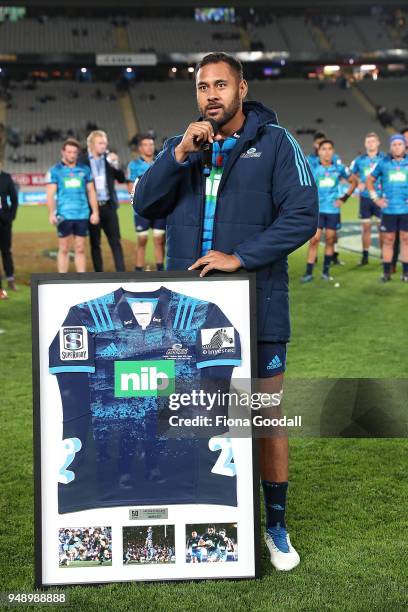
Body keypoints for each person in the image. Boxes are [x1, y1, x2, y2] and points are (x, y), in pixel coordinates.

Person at [133, 52, 318, 571]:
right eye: (201, 86)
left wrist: (241, 258)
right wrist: (178, 157)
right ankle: (193, 519)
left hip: (256, 304)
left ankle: (275, 527)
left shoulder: (278, 144)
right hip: (185, 314)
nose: (210, 94)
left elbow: (303, 214)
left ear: (241, 88)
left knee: (264, 416)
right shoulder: (182, 146)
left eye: (220, 85)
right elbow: (143, 208)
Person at [301, 139, 358, 282]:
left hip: (333, 210)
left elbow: (354, 181)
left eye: (329, 149)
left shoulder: (339, 168)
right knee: (314, 240)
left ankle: (325, 272)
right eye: (323, 149)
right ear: (319, 152)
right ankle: (308, 273)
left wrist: (343, 198)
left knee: (330, 240)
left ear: (333, 151)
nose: (327, 152)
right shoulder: (312, 167)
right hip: (318, 210)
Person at [46, 138, 99, 273]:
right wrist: (51, 213)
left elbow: (91, 191)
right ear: (63, 152)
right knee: (64, 248)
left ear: (78, 153)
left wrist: (95, 212)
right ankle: (61, 280)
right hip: (64, 215)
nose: (72, 155)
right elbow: (50, 194)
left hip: (82, 214)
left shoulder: (85, 170)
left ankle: (81, 281)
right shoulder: (55, 170)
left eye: (74, 152)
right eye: (69, 152)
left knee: (80, 248)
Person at [82, 130, 127, 272]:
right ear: (91, 144)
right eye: (100, 143)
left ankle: (121, 273)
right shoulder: (82, 161)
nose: (104, 146)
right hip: (91, 208)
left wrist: (116, 164)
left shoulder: (109, 159)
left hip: (109, 206)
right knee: (95, 243)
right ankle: (98, 275)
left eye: (105, 143)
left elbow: (121, 178)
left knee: (115, 242)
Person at [366, 134, 408, 282]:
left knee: (406, 239)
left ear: (405, 146)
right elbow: (370, 179)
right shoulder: (384, 163)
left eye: (400, 144)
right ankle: (386, 273)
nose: (397, 147)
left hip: (406, 210)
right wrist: (375, 198)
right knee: (388, 240)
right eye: (394, 144)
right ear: (390, 147)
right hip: (388, 210)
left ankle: (406, 274)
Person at [127, 135, 165, 271]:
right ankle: (138, 271)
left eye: (151, 144)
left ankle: (161, 270)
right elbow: (130, 187)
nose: (150, 147)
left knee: (159, 240)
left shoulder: (160, 162)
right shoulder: (134, 165)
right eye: (146, 144)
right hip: (142, 210)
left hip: (159, 209)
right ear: (140, 148)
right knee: (142, 239)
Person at [350, 133, 385, 266]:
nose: (370, 144)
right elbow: (350, 174)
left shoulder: (384, 159)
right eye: (368, 142)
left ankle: (384, 256)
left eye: (373, 141)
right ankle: (365, 256)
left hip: (380, 197)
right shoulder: (359, 160)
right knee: (365, 228)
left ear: (378, 143)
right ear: (365, 144)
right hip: (365, 198)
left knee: (382, 228)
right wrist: (358, 182)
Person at [0, 165, 18, 299]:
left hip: (4, 222)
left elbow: (14, 199)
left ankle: (10, 279)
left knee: (6, 251)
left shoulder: (6, 178)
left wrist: (11, 217)